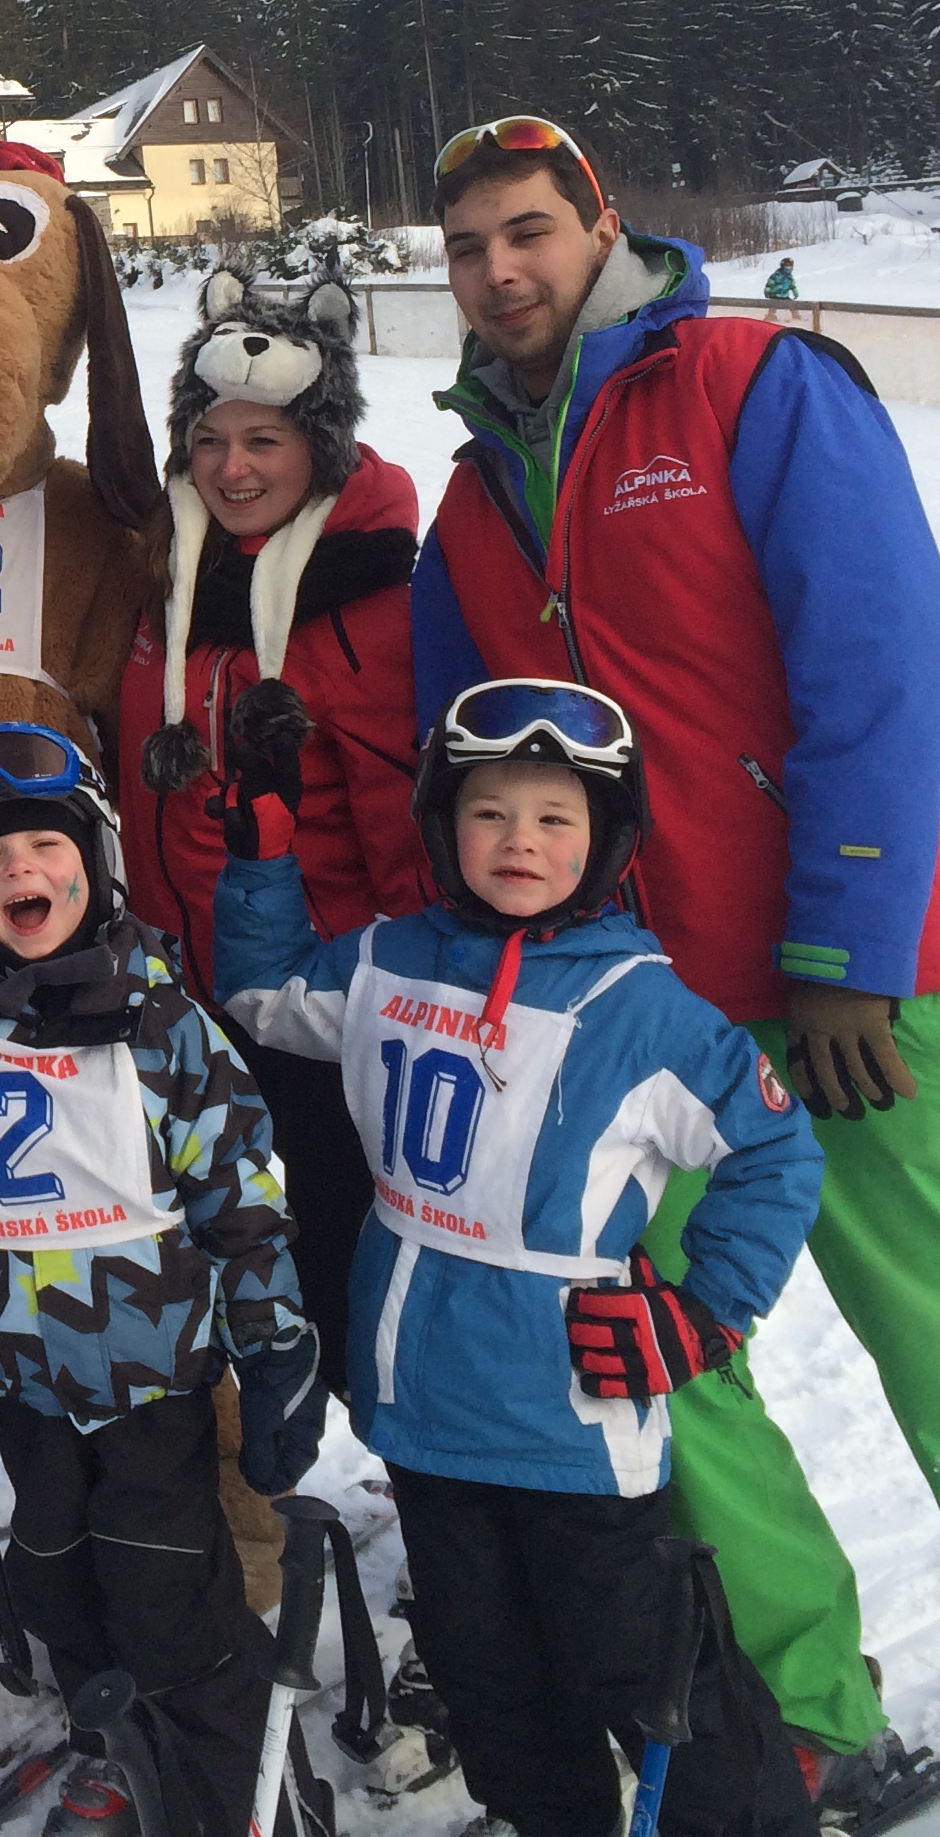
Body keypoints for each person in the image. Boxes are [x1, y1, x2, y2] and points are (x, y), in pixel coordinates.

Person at [412, 113, 940, 1806]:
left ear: (601, 224)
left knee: (928, 1319)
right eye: (467, 248)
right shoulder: (471, 491)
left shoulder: (750, 386)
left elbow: (882, 662)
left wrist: (848, 941)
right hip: (642, 1016)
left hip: (846, 986)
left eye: (526, 231)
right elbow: (450, 755)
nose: (498, 271)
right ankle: (811, 1706)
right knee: (648, 1350)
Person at [214, 679, 820, 1835]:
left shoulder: (642, 1008)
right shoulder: (390, 959)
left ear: (607, 840)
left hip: (570, 1421)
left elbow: (775, 1148)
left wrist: (706, 1312)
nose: (519, 841)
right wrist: (263, 855)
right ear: (443, 826)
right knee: (488, 1674)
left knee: (643, 1666)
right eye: (489, 812)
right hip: (423, 1408)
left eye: (554, 817)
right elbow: (267, 994)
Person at [0, 723, 329, 1836]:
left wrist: (275, 1349)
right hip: (19, 1389)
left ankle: (244, 1788)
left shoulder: (164, 1029)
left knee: (167, 1595)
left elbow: (244, 1202)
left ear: (97, 862)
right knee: (55, 1579)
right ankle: (112, 1744)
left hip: (150, 1386)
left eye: (45, 845)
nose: (19, 870)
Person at [122, 265, 429, 1388]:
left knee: (345, 1261)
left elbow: (403, 822)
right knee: (204, 1257)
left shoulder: (368, 600)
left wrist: (409, 999)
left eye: (266, 440)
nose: (233, 468)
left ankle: (403, 1454)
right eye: (209, 440)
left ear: (323, 445)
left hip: (320, 1005)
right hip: (180, 1000)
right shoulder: (169, 580)